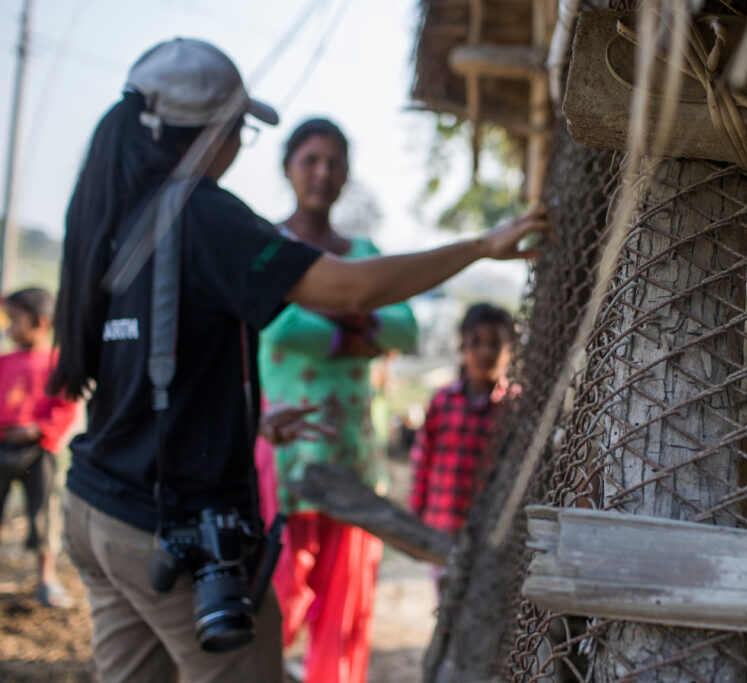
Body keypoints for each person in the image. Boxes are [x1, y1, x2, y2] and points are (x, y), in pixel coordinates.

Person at [48, 37, 548, 683]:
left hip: (96, 510)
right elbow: (353, 289)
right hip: (172, 527)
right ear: (215, 134)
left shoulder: (119, 214)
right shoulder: (201, 215)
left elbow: (140, 375)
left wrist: (248, 419)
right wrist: (481, 244)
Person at [255, 118, 419, 683]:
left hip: (354, 451)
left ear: (347, 173)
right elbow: (279, 329)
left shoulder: (365, 250)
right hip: (284, 452)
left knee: (347, 601)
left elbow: (406, 330)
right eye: (311, 160)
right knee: (276, 592)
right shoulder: (265, 244)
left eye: (334, 161)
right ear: (287, 167)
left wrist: (328, 314)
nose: (323, 173)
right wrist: (355, 321)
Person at [408, 303, 515, 544]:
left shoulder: (513, 407)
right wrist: (416, 509)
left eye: (494, 344)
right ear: (462, 347)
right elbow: (422, 457)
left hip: (491, 528)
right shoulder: (443, 400)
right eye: (476, 343)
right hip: (442, 523)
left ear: (510, 350)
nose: (485, 352)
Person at [0, 288, 78, 608]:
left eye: (15, 319)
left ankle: (45, 579)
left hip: (39, 452)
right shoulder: (5, 361)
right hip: (2, 446)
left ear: (41, 322)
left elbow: (67, 408)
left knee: (42, 516)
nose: (9, 326)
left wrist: (39, 429)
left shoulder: (58, 364)